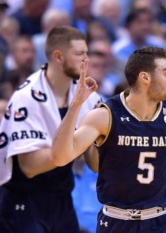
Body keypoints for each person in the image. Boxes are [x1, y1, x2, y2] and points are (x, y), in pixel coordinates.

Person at [49, 47, 166, 233]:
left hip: (164, 221)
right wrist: (75, 106)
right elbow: (59, 157)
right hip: (117, 221)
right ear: (145, 77)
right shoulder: (105, 116)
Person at [0, 26, 101, 233]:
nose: (86, 60)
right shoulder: (26, 98)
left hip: (62, 200)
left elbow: (96, 165)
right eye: (80, 54)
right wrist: (77, 141)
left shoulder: (89, 96)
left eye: (87, 53)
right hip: (24, 201)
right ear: (58, 56)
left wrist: (98, 142)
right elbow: (29, 166)